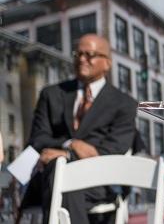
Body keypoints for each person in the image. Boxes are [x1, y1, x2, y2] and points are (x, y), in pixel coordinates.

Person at [19, 34, 138, 224]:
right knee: (60, 174)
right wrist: (70, 145)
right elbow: (38, 139)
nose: (82, 59)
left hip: (99, 181)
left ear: (107, 63)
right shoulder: (51, 94)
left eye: (89, 54)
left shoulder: (124, 104)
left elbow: (113, 150)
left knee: (64, 179)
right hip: (48, 176)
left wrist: (68, 156)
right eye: (78, 54)